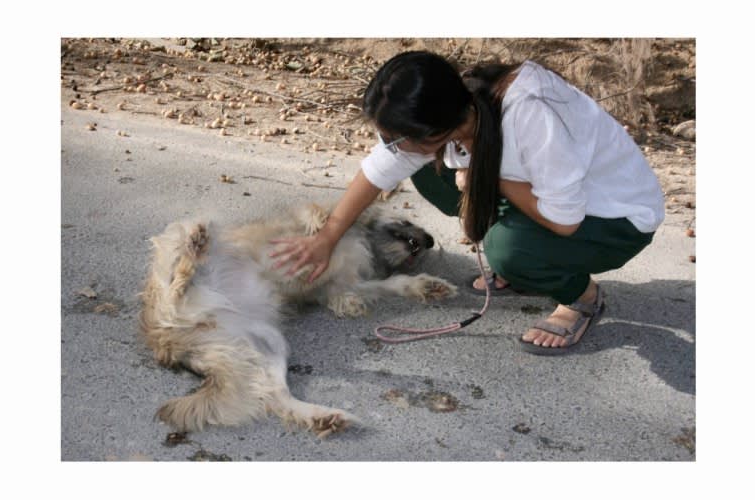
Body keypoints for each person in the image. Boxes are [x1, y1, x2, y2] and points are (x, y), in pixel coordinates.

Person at [271, 50, 664, 355]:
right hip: (549, 201)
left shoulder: (531, 112)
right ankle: (529, 262)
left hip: (614, 220)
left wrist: (483, 176)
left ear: (435, 128)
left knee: (508, 251)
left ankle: (581, 298)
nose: (389, 146)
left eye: (395, 138)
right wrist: (326, 238)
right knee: (428, 171)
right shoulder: (455, 108)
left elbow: (565, 221)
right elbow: (378, 170)